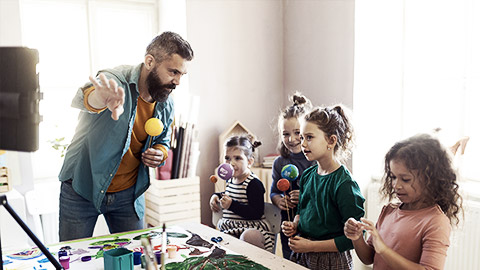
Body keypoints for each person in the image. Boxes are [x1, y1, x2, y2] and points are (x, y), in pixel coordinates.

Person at [58, 31, 194, 241]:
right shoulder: (115, 81)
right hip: (82, 187)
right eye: (173, 71)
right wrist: (100, 99)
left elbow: (163, 141)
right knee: (71, 259)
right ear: (149, 61)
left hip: (128, 195)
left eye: (181, 75)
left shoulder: (166, 101)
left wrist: (159, 153)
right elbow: (85, 99)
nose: (177, 81)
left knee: (135, 257)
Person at [344, 134, 463, 270]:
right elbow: (368, 258)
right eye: (393, 177)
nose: (396, 185)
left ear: (430, 179)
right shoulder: (388, 211)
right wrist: (357, 237)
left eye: (405, 179)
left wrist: (384, 250)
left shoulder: (436, 222)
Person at [281, 105, 365, 270]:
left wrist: (311, 246)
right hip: (303, 254)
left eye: (309, 137)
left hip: (331, 261)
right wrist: (295, 224)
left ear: (331, 141)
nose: (302, 143)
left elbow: (353, 238)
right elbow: (301, 211)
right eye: (302, 137)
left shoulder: (344, 184)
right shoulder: (307, 175)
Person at [209, 135, 275, 252]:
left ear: (249, 162)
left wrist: (231, 205)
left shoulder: (253, 184)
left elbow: (256, 213)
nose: (231, 163)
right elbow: (230, 194)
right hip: (231, 229)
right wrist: (217, 196)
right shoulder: (230, 179)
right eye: (227, 158)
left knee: (249, 236)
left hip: (251, 228)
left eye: (237, 158)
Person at [270, 92, 316, 259]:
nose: (291, 139)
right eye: (285, 134)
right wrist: (278, 200)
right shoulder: (279, 163)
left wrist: (303, 196)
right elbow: (273, 192)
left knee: (307, 258)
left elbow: (320, 195)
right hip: (287, 222)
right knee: (290, 256)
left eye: (298, 133)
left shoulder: (314, 161)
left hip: (309, 222)